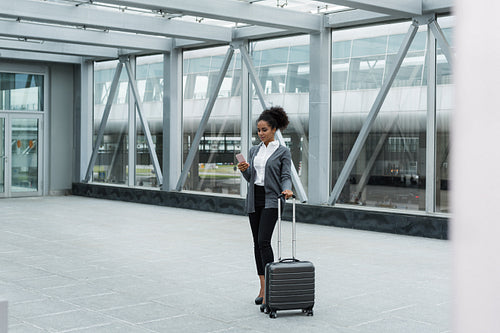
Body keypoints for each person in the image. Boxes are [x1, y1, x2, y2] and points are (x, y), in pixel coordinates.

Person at [237, 106, 294, 312]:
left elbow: (285, 175)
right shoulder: (254, 150)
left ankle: (271, 288)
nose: (260, 134)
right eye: (258, 130)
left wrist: (287, 189)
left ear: (274, 129)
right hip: (255, 199)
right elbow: (251, 178)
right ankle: (262, 288)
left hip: (272, 200)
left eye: (264, 130)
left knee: (263, 241)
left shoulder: (282, 152)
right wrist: (245, 170)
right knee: (256, 244)